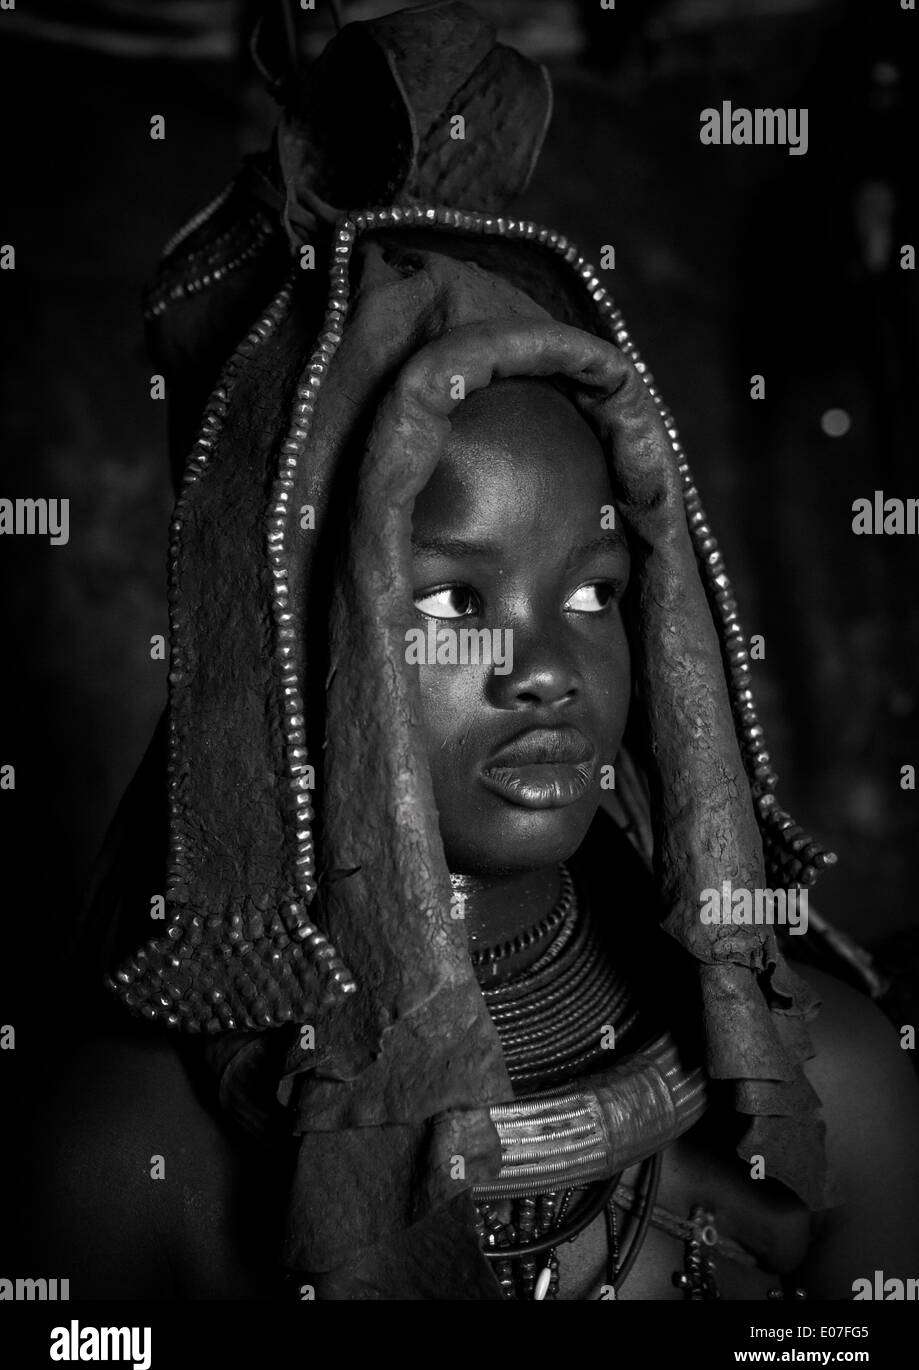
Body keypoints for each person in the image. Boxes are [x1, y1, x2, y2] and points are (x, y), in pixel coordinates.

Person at [17, 1, 919, 1301]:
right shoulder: (118, 1152)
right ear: (288, 632)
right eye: (450, 604)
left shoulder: (823, 1080)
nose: (546, 668)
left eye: (597, 592)